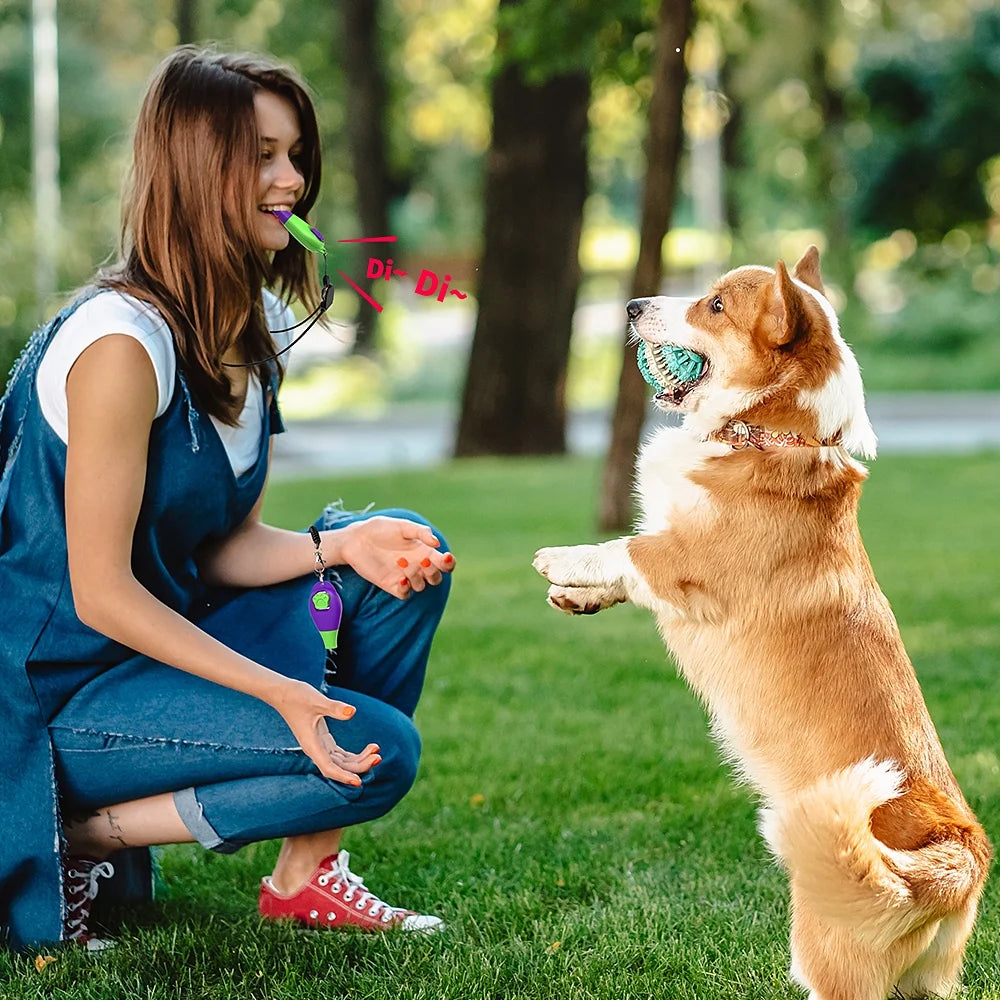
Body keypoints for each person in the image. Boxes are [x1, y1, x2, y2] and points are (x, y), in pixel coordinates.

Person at [0, 47, 454, 953]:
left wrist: (341, 550)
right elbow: (99, 591)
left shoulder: (245, 325)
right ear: (193, 169)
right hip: (50, 698)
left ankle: (306, 874)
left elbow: (218, 548)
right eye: (261, 156)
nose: (292, 179)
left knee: (401, 561)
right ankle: (78, 833)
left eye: (294, 156)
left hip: (146, 659)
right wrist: (281, 691)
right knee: (382, 750)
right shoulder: (120, 345)